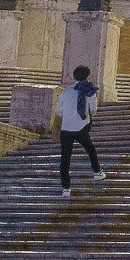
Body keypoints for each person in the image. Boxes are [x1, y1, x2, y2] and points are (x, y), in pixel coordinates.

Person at [52, 66, 106, 196]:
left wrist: (68, 112)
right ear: (87, 77)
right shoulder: (89, 91)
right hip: (81, 125)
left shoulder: (66, 92)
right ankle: (97, 172)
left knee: (65, 159)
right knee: (90, 148)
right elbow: (93, 110)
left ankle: (66, 188)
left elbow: (58, 111)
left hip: (66, 128)